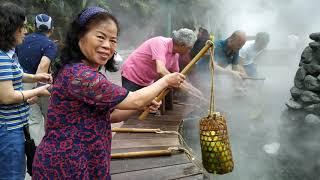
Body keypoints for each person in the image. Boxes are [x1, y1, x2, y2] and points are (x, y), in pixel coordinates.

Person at [32, 7, 185, 179]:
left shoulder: (86, 72)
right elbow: (133, 99)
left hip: (89, 159)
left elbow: (111, 115)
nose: (107, 45)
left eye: (113, 40)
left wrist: (142, 106)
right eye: (100, 37)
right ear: (79, 36)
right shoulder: (80, 75)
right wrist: (165, 81)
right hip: (65, 164)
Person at [0, 2, 52, 179]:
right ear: (9, 29)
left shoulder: (9, 52)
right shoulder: (1, 58)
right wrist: (37, 92)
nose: (25, 31)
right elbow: (7, 97)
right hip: (7, 129)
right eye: (21, 27)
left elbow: (18, 74)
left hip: (14, 125)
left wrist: (36, 78)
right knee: (12, 174)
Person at [121, 28, 202, 98]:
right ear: (182, 45)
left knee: (141, 107)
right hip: (132, 75)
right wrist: (185, 89)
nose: (189, 51)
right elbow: (161, 70)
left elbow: (177, 76)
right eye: (189, 48)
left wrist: (193, 90)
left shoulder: (175, 55)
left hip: (146, 81)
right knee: (127, 106)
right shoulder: (160, 43)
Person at [16, 13, 58, 145]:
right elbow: (43, 65)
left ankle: (36, 154)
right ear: (51, 29)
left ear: (34, 26)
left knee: (34, 120)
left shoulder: (21, 41)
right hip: (41, 85)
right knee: (50, 118)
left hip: (21, 83)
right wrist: (37, 91)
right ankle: (51, 152)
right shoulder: (49, 44)